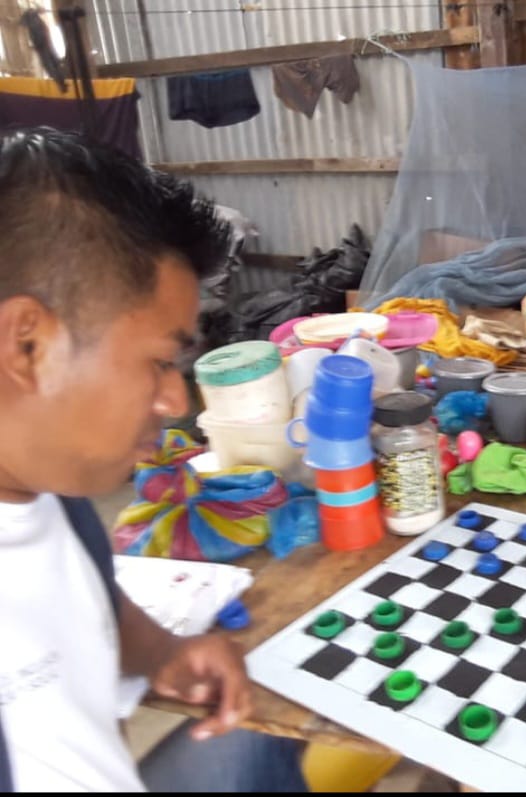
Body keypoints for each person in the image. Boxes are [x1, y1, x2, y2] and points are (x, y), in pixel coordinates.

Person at [0, 127, 308, 792]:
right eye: (161, 361)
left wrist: (164, 652)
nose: (175, 400)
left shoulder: (50, 496)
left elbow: (93, 606)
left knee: (276, 714)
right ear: (26, 345)